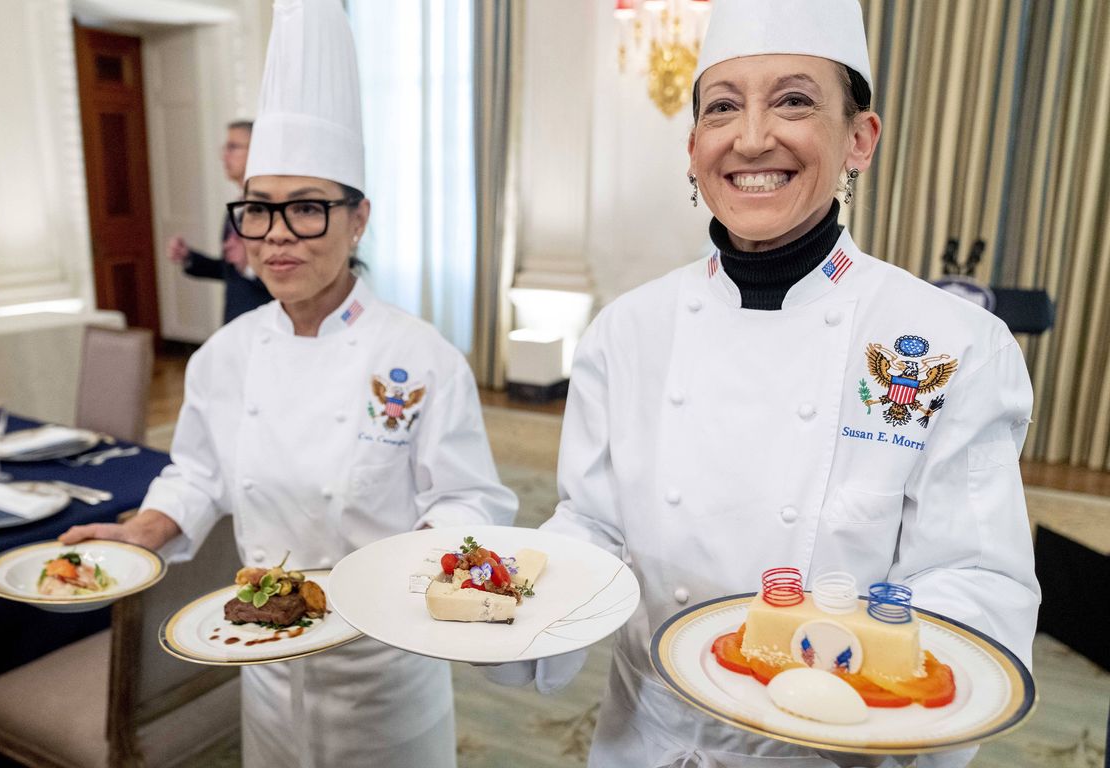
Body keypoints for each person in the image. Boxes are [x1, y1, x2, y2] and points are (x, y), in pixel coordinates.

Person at [486, 1, 1039, 766]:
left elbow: (973, 580)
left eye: (794, 101)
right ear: (693, 149)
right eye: (722, 107)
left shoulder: (954, 345)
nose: (750, 138)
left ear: (859, 138)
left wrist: (874, 702)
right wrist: (511, 604)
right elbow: (594, 526)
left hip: (837, 743)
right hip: (648, 738)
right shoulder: (626, 331)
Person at [63, 1, 516, 765]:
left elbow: (467, 499)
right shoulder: (224, 355)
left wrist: (427, 560)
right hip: (263, 660)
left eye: (306, 209)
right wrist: (146, 530)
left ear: (358, 218)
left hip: (384, 670)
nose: (276, 235)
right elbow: (199, 471)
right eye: (258, 211)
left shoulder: (421, 357)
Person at [167, 120, 273, 324]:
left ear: (257, 152)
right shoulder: (236, 207)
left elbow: (295, 279)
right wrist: (189, 257)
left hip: (262, 324)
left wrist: (250, 267)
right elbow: (228, 271)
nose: (224, 156)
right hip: (233, 325)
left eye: (233, 147)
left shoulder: (273, 210)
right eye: (225, 148)